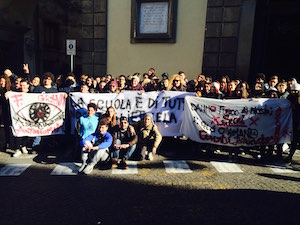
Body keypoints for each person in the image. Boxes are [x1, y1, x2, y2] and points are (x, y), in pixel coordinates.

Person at [0, 75, 11, 151]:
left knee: (7, 129)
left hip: (7, 113)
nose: (2, 83)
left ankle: (7, 143)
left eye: (4, 81)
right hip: (1, 113)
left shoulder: (10, 91)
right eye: (1, 81)